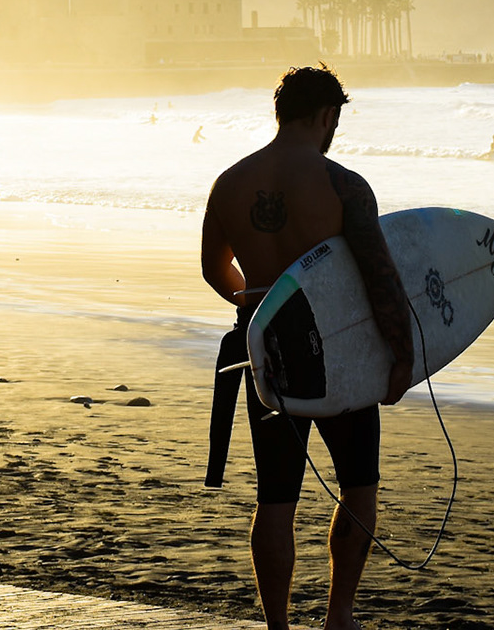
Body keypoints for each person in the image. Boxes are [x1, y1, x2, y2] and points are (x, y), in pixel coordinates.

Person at [201, 66, 414, 630]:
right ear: (327, 115)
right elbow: (380, 276)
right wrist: (402, 355)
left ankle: (277, 626)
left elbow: (214, 269)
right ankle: (338, 615)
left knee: (275, 496)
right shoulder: (343, 185)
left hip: (266, 351)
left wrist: (260, 310)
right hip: (340, 349)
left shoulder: (229, 183)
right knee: (358, 484)